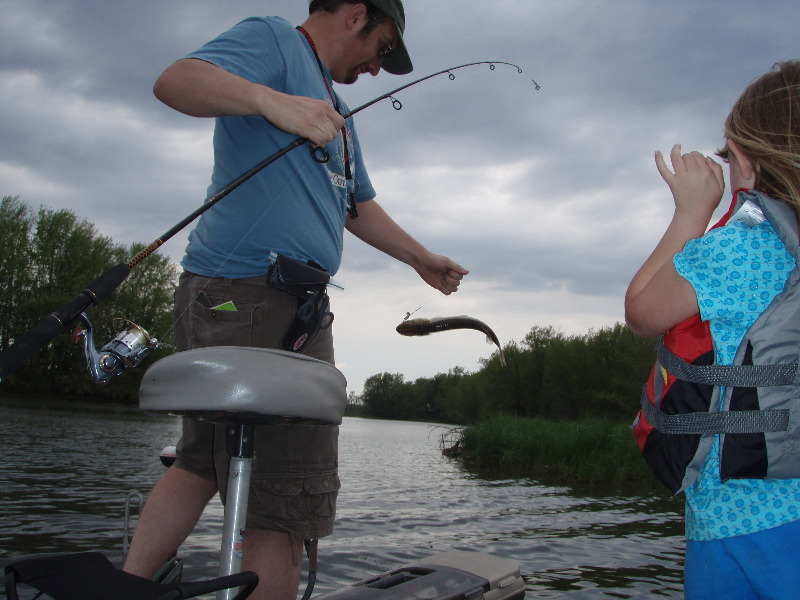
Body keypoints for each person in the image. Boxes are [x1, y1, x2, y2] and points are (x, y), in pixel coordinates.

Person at [123, 2, 469, 599]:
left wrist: (419, 256)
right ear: (356, 14)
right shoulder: (275, 41)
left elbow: (355, 204)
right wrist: (272, 101)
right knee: (285, 488)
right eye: (383, 47)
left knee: (204, 459)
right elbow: (174, 81)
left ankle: (124, 588)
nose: (378, 69)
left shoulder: (337, 111)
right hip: (250, 295)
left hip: (292, 306)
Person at [625, 60, 800, 599]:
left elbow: (641, 311)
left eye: (729, 156)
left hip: (739, 524)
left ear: (745, 156)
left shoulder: (738, 250)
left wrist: (691, 212)